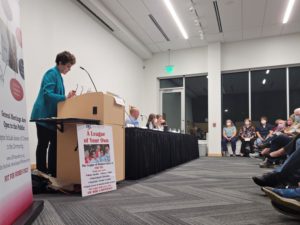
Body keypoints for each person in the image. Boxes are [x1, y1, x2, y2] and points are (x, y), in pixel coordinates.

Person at [31, 51, 76, 176]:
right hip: (43, 115)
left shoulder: (59, 76)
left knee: (55, 144)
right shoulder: (51, 73)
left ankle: (52, 172)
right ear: (60, 63)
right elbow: (47, 94)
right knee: (43, 144)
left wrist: (68, 98)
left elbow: (60, 97)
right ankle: (41, 173)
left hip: (52, 117)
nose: (69, 69)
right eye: (68, 66)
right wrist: (65, 97)